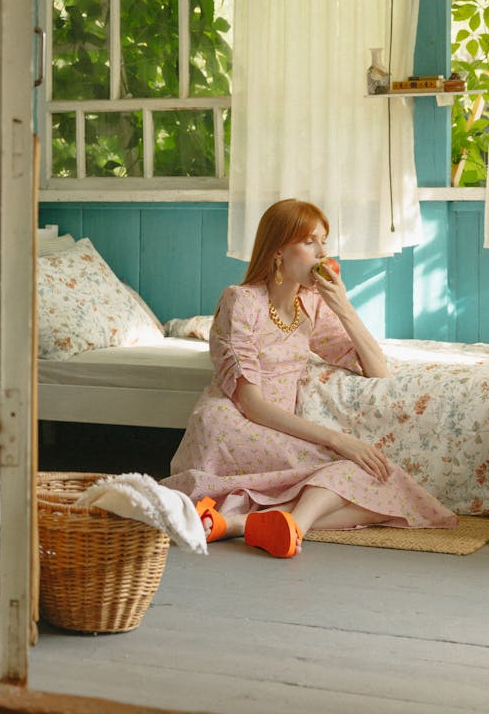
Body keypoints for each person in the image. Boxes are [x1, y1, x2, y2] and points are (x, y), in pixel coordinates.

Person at [161, 198, 458, 558]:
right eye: (309, 242)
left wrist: (342, 305)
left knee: (385, 484)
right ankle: (282, 522)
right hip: (230, 425)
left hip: (279, 429)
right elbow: (251, 404)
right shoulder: (241, 301)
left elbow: (375, 368)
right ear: (278, 252)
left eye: (324, 242)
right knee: (354, 470)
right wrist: (339, 440)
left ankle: (260, 525)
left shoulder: (310, 304)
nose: (322, 254)